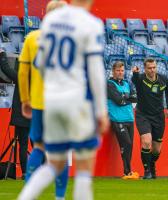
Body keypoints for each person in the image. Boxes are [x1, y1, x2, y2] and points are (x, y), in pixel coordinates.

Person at [18, 0, 109, 199]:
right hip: (76, 99)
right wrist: (101, 111)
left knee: (54, 162)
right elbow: (96, 72)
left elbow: (40, 63)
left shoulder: (50, 21)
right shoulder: (91, 23)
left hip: (51, 101)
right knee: (84, 163)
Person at [18, 1, 69, 200]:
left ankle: (28, 193)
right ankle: (60, 197)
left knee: (38, 147)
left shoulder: (32, 38)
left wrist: (25, 99)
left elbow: (23, 72)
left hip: (39, 102)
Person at [131, 58, 168, 179]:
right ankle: (147, 171)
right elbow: (134, 80)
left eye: (154, 67)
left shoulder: (163, 79)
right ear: (145, 69)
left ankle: (151, 163)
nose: (152, 70)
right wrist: (134, 73)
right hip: (143, 115)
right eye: (149, 68)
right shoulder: (140, 79)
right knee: (146, 141)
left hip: (158, 116)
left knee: (156, 150)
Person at [0, 49, 30, 179]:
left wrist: (2, 55)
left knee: (23, 145)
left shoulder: (21, 77)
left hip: (22, 116)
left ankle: (24, 173)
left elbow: (6, 68)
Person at [107, 61, 139, 180]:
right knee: (127, 143)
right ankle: (127, 171)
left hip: (129, 118)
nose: (120, 73)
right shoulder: (109, 84)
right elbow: (118, 101)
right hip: (117, 119)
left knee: (128, 146)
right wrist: (128, 99)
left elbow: (135, 98)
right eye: (118, 71)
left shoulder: (126, 83)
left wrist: (126, 99)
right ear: (113, 71)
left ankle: (128, 172)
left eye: (122, 70)